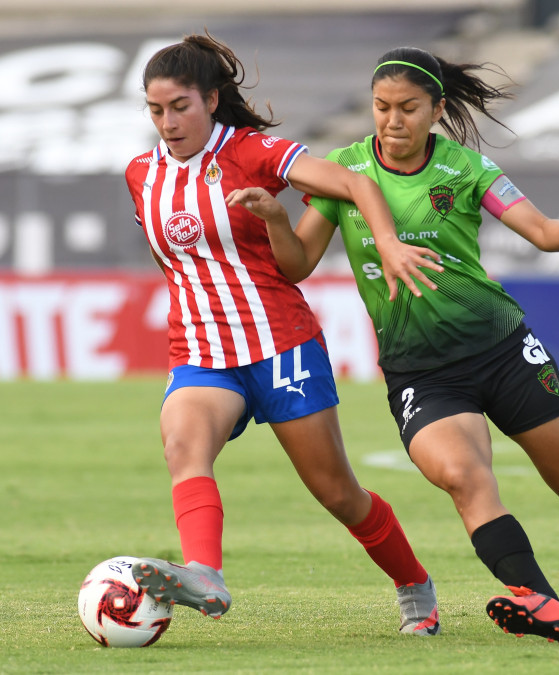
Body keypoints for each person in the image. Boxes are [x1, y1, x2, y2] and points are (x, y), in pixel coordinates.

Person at [232, 46, 559, 644]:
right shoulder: (347, 172)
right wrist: (277, 223)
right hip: (421, 373)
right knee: (464, 477)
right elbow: (300, 263)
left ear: (436, 110)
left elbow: (542, 232)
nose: (392, 121)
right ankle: (540, 600)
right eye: (382, 108)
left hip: (502, 350)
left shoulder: (467, 169)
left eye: (408, 108)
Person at [122, 34, 447, 637]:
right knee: (183, 448)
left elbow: (357, 184)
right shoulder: (141, 175)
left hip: (280, 345)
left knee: (338, 493)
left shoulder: (253, 152)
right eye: (156, 110)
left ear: (212, 100)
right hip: (201, 351)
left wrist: (389, 242)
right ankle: (204, 573)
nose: (167, 123)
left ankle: (414, 586)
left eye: (180, 107)